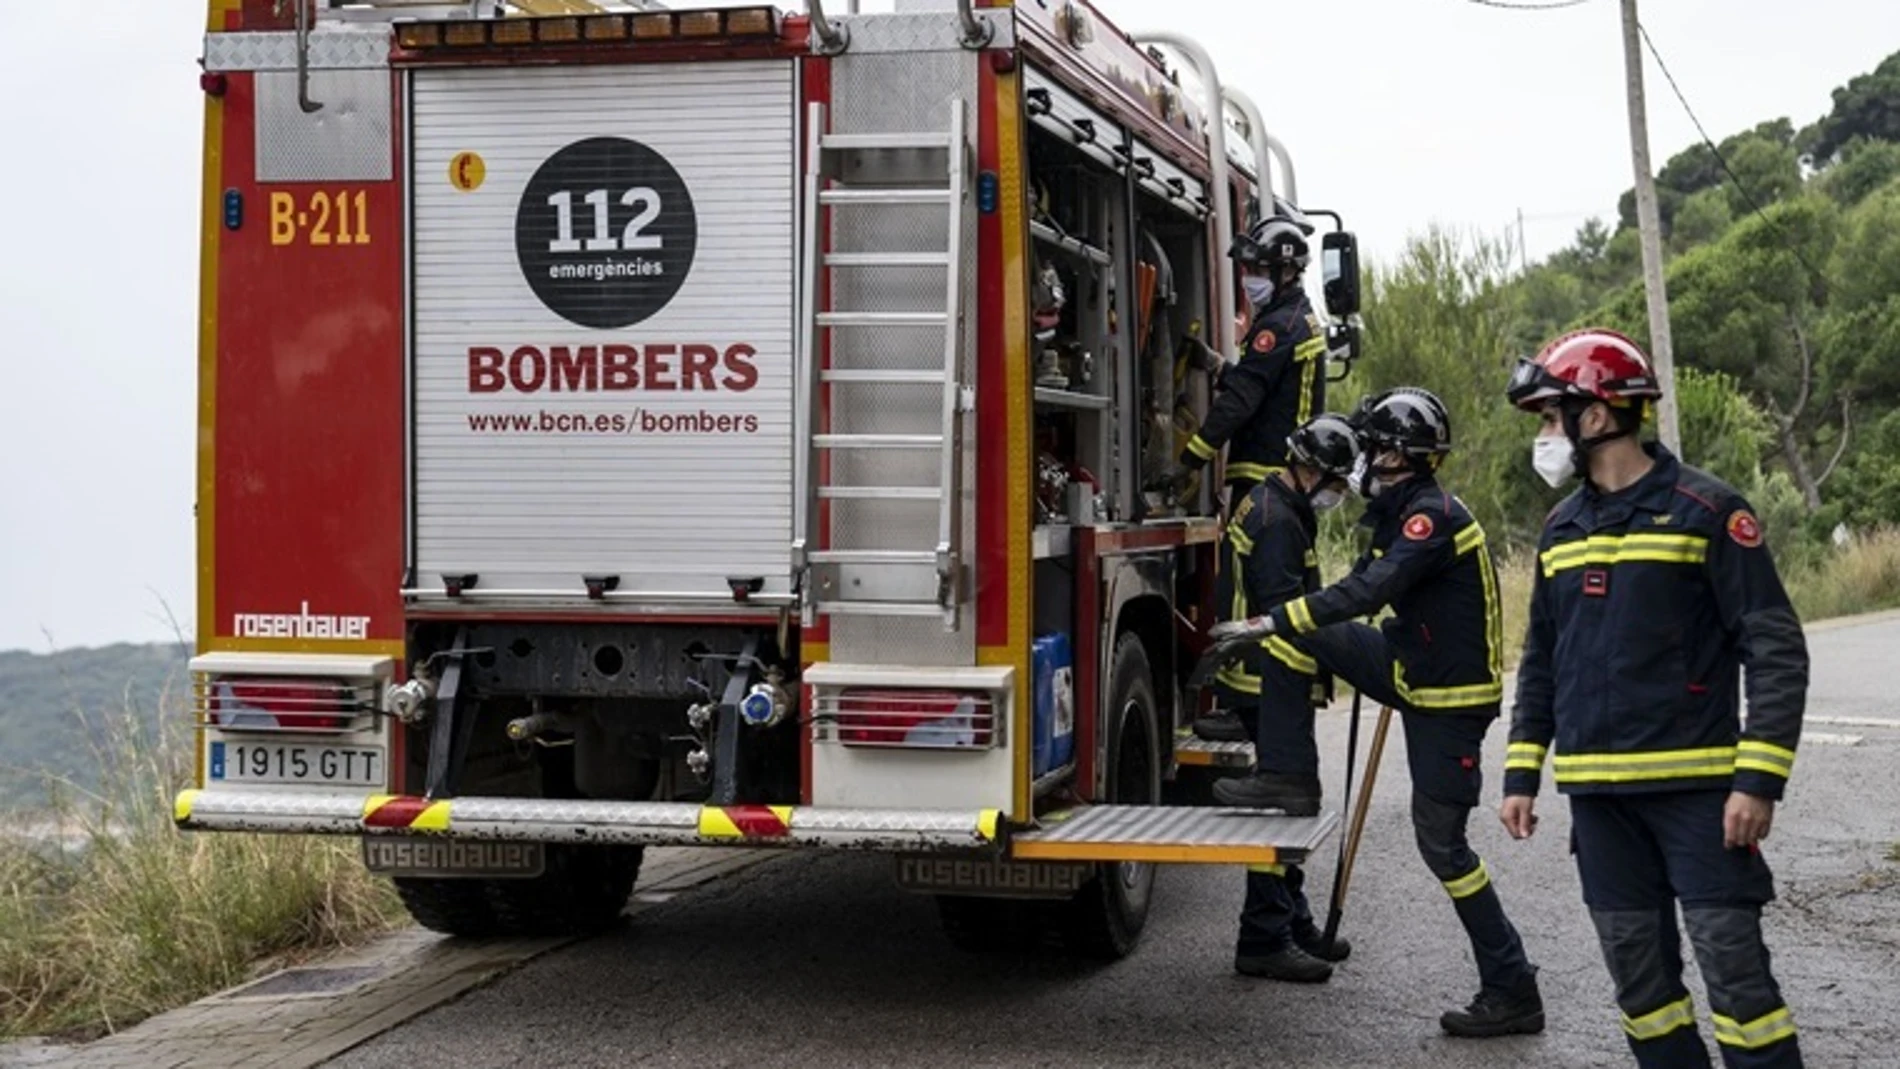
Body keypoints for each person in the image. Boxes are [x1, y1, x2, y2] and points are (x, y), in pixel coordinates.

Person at [1501, 329, 1808, 1069]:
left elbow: (1776, 649)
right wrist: (1520, 772)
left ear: (1598, 415)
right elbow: (1542, 657)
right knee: (1642, 990)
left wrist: (1757, 780)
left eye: (1551, 417)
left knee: (1738, 984)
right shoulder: (1560, 528)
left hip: (1700, 799)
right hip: (1601, 806)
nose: (1546, 435)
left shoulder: (1708, 510)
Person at [1204, 387, 1544, 1038]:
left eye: (1370, 445)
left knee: (1443, 846)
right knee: (1298, 628)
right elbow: (1350, 590)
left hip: (1448, 702)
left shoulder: (1433, 517)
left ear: (1394, 454)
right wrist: (1277, 623)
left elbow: (1373, 587)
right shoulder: (1400, 508)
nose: (1359, 458)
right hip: (1408, 668)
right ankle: (1288, 773)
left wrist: (1273, 616)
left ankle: (1512, 985)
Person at [1212, 414, 1361, 983]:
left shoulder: (1272, 501)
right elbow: (1284, 618)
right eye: (1338, 482)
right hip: (1268, 680)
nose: (1340, 493)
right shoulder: (1278, 521)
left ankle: (1293, 919)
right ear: (1314, 472)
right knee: (1281, 805)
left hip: (1262, 678)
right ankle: (1264, 936)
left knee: (1288, 805)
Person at [1153, 202, 1328, 514]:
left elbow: (1241, 401)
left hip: (1268, 476)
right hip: (1281, 476)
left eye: (1258, 270)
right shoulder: (1295, 318)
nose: (1248, 279)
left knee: (1251, 560)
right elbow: (1267, 388)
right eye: (1247, 270)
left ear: (1286, 271)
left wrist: (1190, 461)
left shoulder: (1279, 328)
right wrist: (1216, 365)